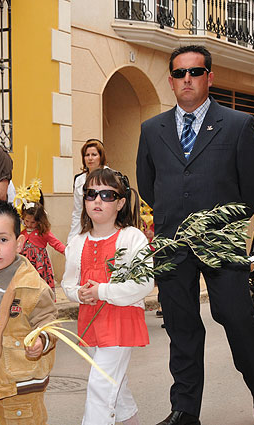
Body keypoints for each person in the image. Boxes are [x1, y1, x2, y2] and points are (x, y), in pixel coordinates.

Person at [136, 45, 254, 425]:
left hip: (221, 241)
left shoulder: (237, 124)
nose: (187, 80)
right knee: (181, 327)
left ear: (209, 77)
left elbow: (252, 188)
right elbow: (148, 186)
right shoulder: (152, 129)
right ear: (170, 80)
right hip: (172, 242)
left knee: (235, 317)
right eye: (179, 73)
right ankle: (184, 409)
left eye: (195, 72)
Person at [61, 168, 153, 425]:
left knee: (101, 388)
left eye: (107, 195)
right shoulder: (77, 242)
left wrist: (101, 290)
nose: (97, 200)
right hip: (91, 321)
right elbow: (67, 283)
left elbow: (144, 283)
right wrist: (79, 294)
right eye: (91, 194)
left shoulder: (131, 237)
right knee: (117, 388)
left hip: (121, 321)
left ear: (121, 202)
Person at [0, 200, 57, 424]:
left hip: (18, 389)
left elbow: (50, 323)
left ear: (19, 243)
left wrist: (41, 341)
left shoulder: (32, 286)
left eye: (3, 239)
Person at [20, 202, 66, 296]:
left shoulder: (43, 232)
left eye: (33, 222)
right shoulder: (22, 233)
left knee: (40, 284)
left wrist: (67, 252)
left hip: (39, 263)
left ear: (39, 221)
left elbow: (55, 243)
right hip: (25, 264)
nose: (29, 224)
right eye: (26, 221)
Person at [69, 139, 107, 242]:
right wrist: (72, 238)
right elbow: (77, 212)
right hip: (86, 228)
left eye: (94, 154)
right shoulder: (79, 180)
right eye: (87, 155)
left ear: (101, 156)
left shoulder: (110, 176)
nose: (90, 158)